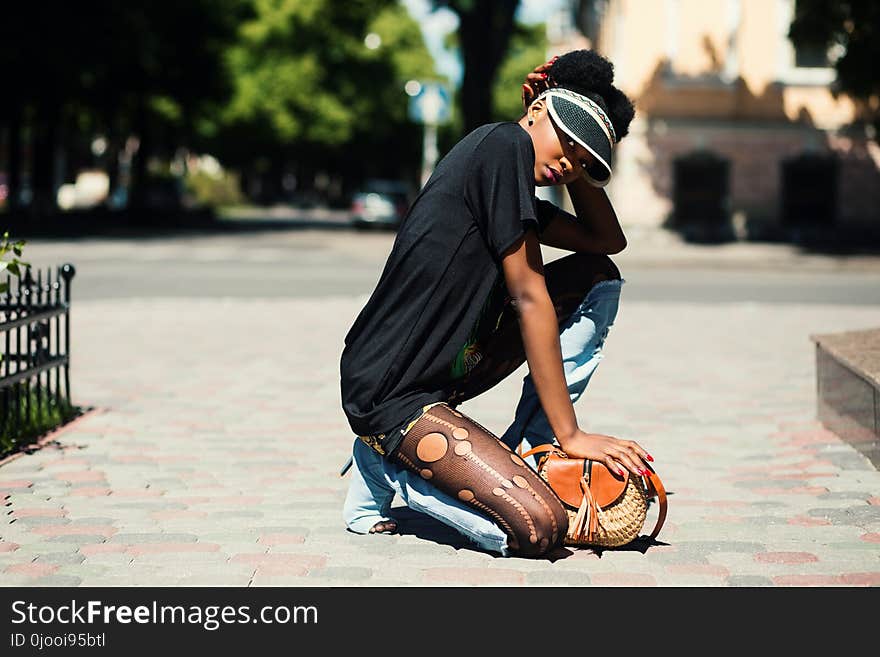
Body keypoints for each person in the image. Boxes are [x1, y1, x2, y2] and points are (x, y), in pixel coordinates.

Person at [339, 49, 653, 558]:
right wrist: (573, 435)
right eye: (569, 143)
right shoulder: (501, 145)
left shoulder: (513, 184)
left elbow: (606, 241)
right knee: (538, 527)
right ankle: (386, 464)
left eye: (584, 162)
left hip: (450, 371)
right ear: (537, 110)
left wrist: (581, 172)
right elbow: (530, 297)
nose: (569, 163)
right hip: (388, 391)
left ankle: (535, 441)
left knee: (595, 277)